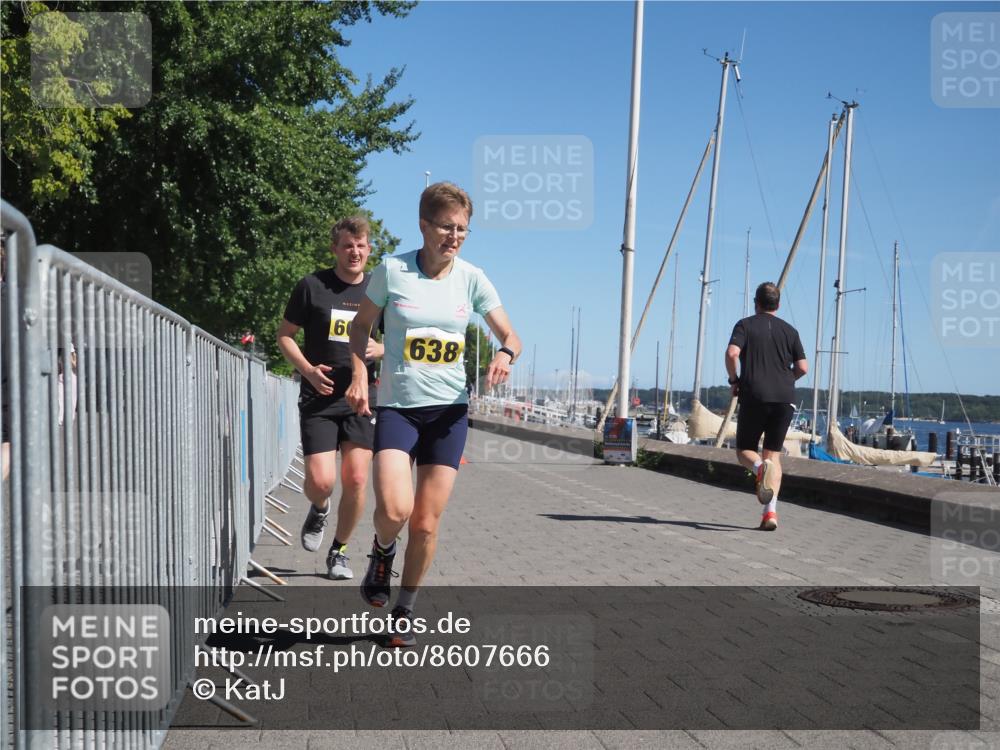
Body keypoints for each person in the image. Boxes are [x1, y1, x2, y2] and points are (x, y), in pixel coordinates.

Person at [346, 182, 520, 647]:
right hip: (398, 408)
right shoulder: (392, 270)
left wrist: (505, 354)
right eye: (446, 227)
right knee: (394, 509)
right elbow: (361, 328)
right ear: (424, 225)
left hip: (449, 414)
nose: (454, 236)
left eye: (462, 229)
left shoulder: (472, 278)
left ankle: (404, 609)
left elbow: (511, 335)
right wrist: (360, 375)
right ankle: (382, 550)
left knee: (425, 523)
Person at [277, 216, 384, 579]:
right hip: (319, 396)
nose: (355, 252)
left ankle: (339, 551)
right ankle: (320, 507)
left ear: (369, 249)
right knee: (322, 482)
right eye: (347, 245)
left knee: (356, 479)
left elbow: (401, 340)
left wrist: (381, 349)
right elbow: (285, 335)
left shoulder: (378, 291)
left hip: (361, 397)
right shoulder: (312, 286)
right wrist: (307, 370)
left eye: (361, 245)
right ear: (335, 249)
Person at [725, 282, 808, 531]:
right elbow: (803, 368)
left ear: (756, 303)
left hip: (755, 395)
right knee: (773, 456)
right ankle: (770, 513)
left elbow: (732, 354)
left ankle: (760, 469)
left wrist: (734, 380)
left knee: (745, 450)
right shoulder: (791, 331)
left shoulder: (745, 325)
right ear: (778, 305)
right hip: (785, 398)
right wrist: (787, 380)